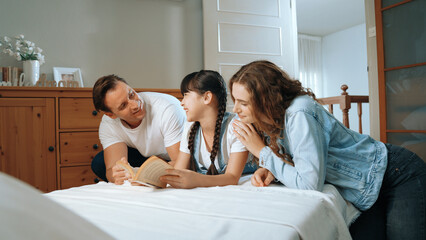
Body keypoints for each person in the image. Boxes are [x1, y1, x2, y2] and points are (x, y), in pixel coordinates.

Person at [229, 60, 426, 240]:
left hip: (397, 175)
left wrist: (262, 151)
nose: (235, 109)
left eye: (243, 103)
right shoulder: (274, 119)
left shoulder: (299, 113)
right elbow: (302, 160)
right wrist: (272, 171)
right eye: (235, 100)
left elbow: (309, 184)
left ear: (266, 100)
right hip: (365, 190)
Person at [160, 70, 257, 188]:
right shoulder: (190, 127)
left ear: (207, 97)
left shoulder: (235, 127)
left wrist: (196, 180)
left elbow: (232, 178)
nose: (182, 102)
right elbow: (179, 169)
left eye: (186, 95)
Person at [91, 74, 186, 184]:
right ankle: (141, 179)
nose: (135, 105)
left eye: (131, 94)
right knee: (100, 162)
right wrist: (117, 176)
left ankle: (146, 177)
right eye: (123, 106)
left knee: (182, 169)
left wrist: (141, 172)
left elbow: (181, 164)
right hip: (150, 158)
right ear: (111, 115)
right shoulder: (109, 123)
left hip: (181, 158)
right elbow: (111, 170)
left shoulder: (166, 108)